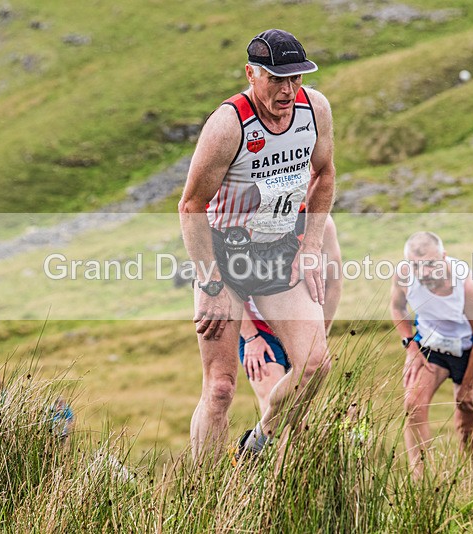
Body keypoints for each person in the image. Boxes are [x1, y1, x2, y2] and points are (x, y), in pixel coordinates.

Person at [178, 28, 336, 460]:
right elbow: (191, 205)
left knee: (315, 365)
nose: (287, 90)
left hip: (279, 254)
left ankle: (260, 441)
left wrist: (310, 248)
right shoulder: (229, 125)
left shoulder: (314, 109)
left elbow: (324, 176)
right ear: (251, 74)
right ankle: (204, 497)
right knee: (221, 388)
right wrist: (210, 285)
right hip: (224, 261)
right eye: (275, 79)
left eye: (295, 78)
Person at [389, 231, 473, 479]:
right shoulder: (404, 275)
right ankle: (421, 483)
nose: (423, 272)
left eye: (431, 264)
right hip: (430, 348)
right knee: (413, 406)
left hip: (469, 350)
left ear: (444, 258)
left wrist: (467, 385)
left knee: (467, 421)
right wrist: (411, 347)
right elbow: (396, 307)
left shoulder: (465, 285)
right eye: (416, 266)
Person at [240, 213, 342, 416]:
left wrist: (322, 333)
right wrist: (251, 337)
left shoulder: (322, 223)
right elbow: (229, 286)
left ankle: (255, 445)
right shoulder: (245, 217)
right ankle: (255, 444)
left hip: (302, 326)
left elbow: (334, 284)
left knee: (300, 414)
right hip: (259, 331)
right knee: (274, 406)